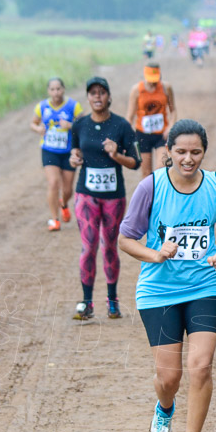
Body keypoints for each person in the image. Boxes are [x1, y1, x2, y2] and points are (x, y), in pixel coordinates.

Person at [118, 119, 216, 432]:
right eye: (181, 152)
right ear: (168, 152)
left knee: (201, 366)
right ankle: (165, 407)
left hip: (205, 286)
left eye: (195, 152)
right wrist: (154, 253)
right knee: (169, 377)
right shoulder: (151, 187)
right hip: (158, 289)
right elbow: (126, 238)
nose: (188, 159)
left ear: (204, 152)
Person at [68, 76, 141, 321]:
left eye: (101, 93)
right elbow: (74, 152)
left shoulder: (121, 126)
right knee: (88, 246)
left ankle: (112, 301)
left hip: (113, 197)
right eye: (92, 93)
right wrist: (74, 159)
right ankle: (86, 303)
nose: (97, 97)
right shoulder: (79, 125)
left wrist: (116, 155)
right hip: (86, 194)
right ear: (87, 98)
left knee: (109, 246)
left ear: (109, 96)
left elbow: (135, 162)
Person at [30, 77, 83, 231]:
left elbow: (85, 126)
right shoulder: (42, 107)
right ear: (48, 91)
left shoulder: (73, 106)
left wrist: (71, 126)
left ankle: (64, 204)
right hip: (49, 150)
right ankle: (54, 219)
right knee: (53, 183)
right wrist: (38, 129)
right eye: (52, 89)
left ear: (63, 89)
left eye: (58, 89)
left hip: (68, 152)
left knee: (67, 189)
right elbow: (33, 123)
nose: (56, 92)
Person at [126, 62, 176, 178]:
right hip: (142, 135)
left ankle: (160, 195)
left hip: (162, 135)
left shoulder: (165, 88)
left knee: (162, 169)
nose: (153, 82)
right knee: (146, 173)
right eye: (150, 79)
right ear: (145, 75)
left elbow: (173, 111)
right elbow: (130, 116)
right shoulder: (137, 90)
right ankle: (149, 196)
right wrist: (127, 137)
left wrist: (170, 127)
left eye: (155, 79)